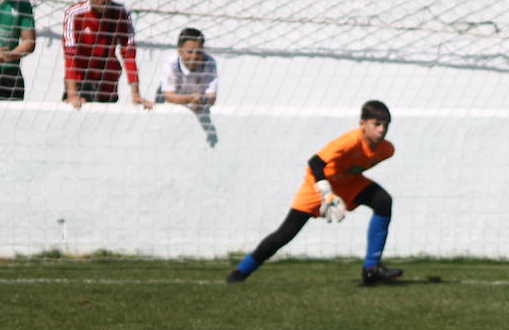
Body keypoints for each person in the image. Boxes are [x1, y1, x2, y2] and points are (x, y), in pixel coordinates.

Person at [227, 100, 403, 286]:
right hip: (318, 184)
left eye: (386, 125)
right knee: (286, 233)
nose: (382, 130)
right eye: (376, 124)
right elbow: (315, 163)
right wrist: (326, 192)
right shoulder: (349, 141)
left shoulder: (386, 150)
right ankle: (240, 271)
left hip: (349, 183)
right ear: (362, 124)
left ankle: (372, 269)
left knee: (383, 201)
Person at [61, 0, 153, 109]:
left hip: (107, 79)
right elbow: (70, 55)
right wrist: (72, 93)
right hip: (80, 79)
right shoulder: (75, 14)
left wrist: (136, 93)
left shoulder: (121, 13)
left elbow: (128, 54)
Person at [157, 27, 219, 111]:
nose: (194, 57)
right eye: (190, 52)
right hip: (169, 106)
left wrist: (201, 100)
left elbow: (211, 96)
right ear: (179, 51)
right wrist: (191, 98)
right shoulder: (171, 63)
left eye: (198, 52)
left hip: (197, 105)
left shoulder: (209, 63)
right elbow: (169, 96)